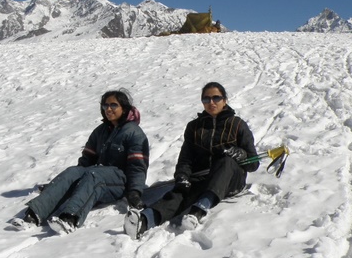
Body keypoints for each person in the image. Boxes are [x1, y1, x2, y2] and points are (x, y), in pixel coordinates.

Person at [123, 82, 259, 239]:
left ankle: (199, 209)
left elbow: (253, 163)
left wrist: (241, 154)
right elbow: (186, 158)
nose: (211, 103)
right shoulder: (194, 127)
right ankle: (144, 221)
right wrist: (182, 176)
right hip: (202, 177)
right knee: (178, 194)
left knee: (226, 161)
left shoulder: (237, 125)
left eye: (216, 98)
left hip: (231, 181)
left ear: (225, 100)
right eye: (206, 99)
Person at [19, 90, 149, 234]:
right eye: (105, 106)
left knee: (94, 175)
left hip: (120, 181)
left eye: (113, 105)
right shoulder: (100, 131)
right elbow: (87, 159)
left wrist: (135, 192)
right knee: (72, 171)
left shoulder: (134, 133)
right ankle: (33, 215)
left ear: (124, 108)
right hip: (97, 173)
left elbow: (137, 166)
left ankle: (70, 218)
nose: (109, 109)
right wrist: (67, 181)